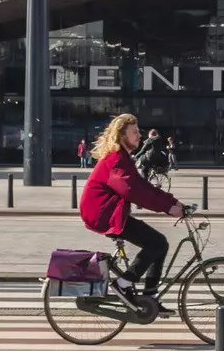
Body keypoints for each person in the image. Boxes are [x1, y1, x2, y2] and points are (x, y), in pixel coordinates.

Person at [80, 112, 188, 314]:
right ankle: (123, 284)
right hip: (103, 214)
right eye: (135, 132)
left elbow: (142, 186)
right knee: (156, 243)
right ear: (122, 136)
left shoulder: (123, 158)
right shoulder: (116, 160)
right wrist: (168, 208)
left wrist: (174, 202)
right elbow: (133, 191)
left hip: (110, 211)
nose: (140, 135)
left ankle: (150, 297)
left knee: (159, 244)